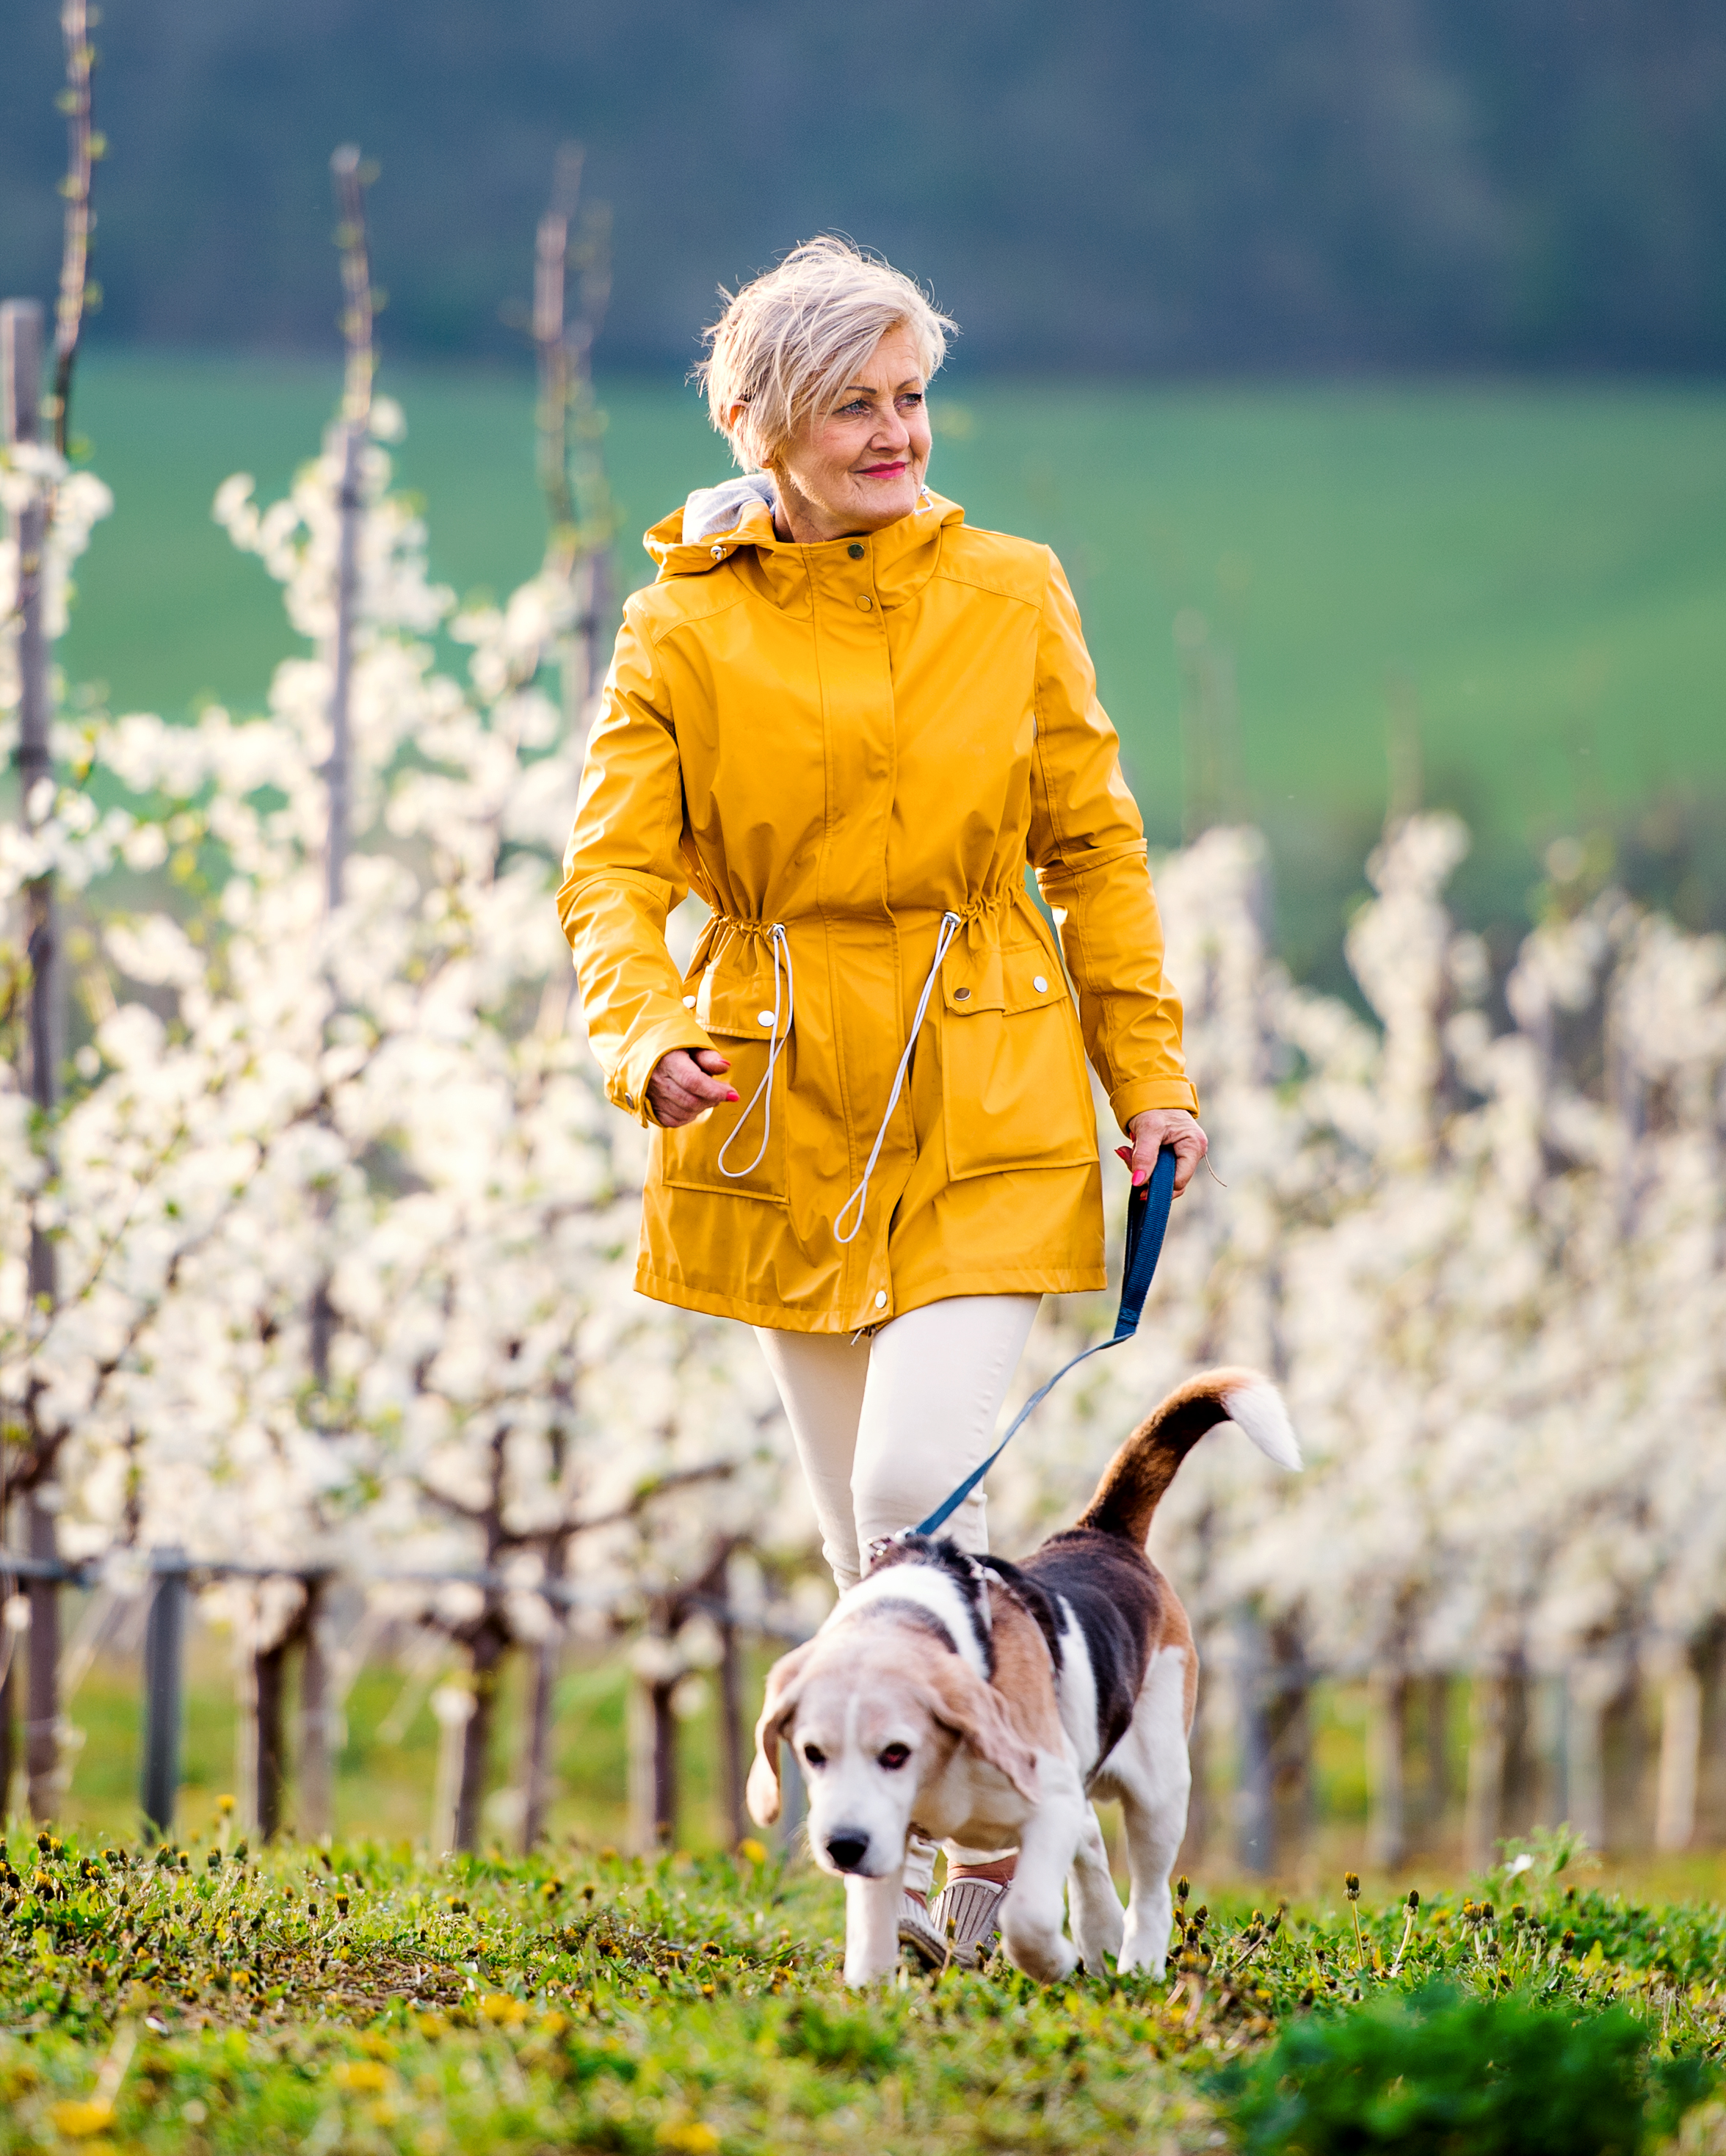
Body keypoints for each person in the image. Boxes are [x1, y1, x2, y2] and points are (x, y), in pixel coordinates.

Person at [557, 236, 1205, 1962]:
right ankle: (908, 1888)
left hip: (988, 1077)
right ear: (768, 425)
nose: (899, 431)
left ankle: (999, 1866)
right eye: (857, 402)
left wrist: (1148, 1073)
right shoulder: (676, 624)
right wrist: (639, 1038)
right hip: (774, 1113)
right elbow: (610, 877)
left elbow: (1097, 846)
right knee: (866, 1547)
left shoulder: (1013, 589)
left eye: (912, 395)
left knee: (924, 1489)